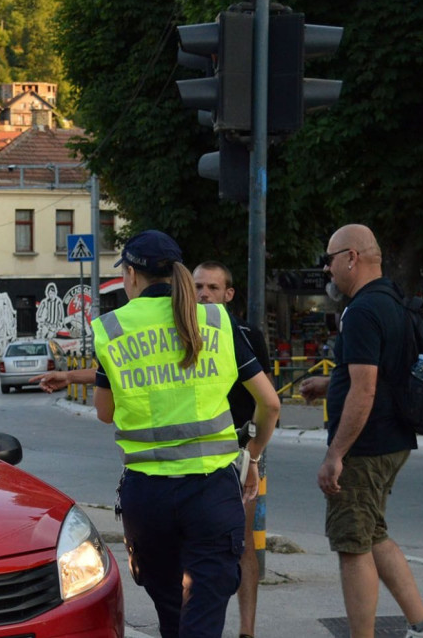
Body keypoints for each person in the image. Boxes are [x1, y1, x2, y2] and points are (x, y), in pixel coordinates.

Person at [86, 230, 278, 638]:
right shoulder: (215, 320)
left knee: (171, 615)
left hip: (147, 496)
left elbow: (105, 413)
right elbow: (271, 404)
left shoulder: (111, 328)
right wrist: (254, 458)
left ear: (132, 275)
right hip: (210, 492)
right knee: (203, 616)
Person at [299, 225, 423, 638]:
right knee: (373, 532)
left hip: (365, 445)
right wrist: (330, 384)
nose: (327, 270)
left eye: (329, 260)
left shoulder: (362, 310)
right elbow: (380, 374)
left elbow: (365, 389)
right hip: (393, 436)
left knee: (352, 545)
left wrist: (335, 456)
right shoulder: (394, 301)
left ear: (351, 257)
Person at [193, 260, 273, 638]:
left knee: (241, 543)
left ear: (229, 295)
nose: (203, 294)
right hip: (195, 453)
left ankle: (247, 631)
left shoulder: (245, 334)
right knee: (195, 546)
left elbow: (268, 399)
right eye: (197, 287)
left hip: (242, 453)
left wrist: (254, 452)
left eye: (212, 287)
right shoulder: (181, 331)